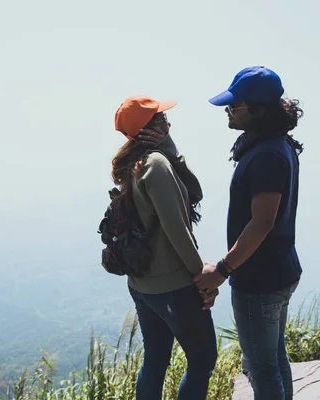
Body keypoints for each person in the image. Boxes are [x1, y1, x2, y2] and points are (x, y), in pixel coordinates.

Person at [194, 66, 305, 400]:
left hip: (260, 280)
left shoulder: (267, 155)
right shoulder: (275, 145)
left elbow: (262, 222)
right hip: (278, 269)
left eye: (234, 106)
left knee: (261, 367)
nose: (228, 112)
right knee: (273, 359)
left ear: (257, 109)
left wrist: (223, 269)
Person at [112, 95, 218, 400]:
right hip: (172, 286)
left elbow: (192, 193)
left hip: (144, 283)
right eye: (161, 119)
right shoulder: (156, 164)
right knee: (202, 360)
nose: (168, 123)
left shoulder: (138, 162)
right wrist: (203, 278)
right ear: (148, 127)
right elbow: (177, 228)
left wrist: (169, 148)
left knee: (156, 361)